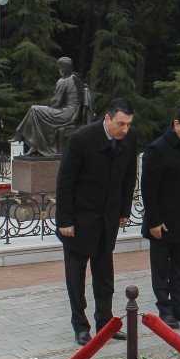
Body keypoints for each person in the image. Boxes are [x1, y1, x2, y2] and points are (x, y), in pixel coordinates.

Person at [55, 98, 137, 345]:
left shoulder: (130, 137)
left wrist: (124, 210)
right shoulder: (82, 138)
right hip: (79, 221)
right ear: (107, 119)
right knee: (76, 277)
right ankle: (80, 326)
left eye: (128, 124)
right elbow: (65, 181)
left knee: (104, 277)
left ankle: (105, 323)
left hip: (107, 219)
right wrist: (65, 220)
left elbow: (129, 176)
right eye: (120, 124)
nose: (124, 129)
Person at [141, 106, 180, 329]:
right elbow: (148, 190)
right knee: (161, 268)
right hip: (163, 222)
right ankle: (164, 308)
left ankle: (179, 304)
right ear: (176, 124)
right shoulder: (157, 149)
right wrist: (154, 221)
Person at [13, 57, 87, 156]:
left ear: (63, 67)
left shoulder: (63, 81)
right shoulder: (76, 78)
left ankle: (24, 137)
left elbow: (55, 103)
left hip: (67, 113)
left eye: (59, 66)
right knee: (36, 111)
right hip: (74, 113)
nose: (58, 69)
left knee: (34, 109)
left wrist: (51, 98)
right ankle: (34, 145)